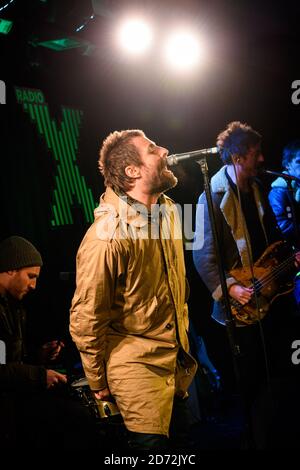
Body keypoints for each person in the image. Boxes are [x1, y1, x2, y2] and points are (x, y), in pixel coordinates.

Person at [70, 129, 197, 451]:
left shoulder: (167, 211)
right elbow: (86, 318)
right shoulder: (106, 237)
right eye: (153, 149)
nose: (165, 149)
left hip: (175, 363)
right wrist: (99, 385)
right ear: (132, 171)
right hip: (136, 369)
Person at [192, 122, 299, 414]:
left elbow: (273, 237)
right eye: (256, 153)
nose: (262, 159)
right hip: (242, 307)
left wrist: (291, 255)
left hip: (270, 295)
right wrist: (231, 288)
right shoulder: (209, 198)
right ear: (238, 158)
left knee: (278, 377)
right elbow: (202, 256)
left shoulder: (257, 189)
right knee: (254, 386)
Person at [0, 236, 95, 448]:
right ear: (10, 270)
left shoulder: (13, 307)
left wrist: (38, 356)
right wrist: (39, 375)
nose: (34, 286)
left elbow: (9, 360)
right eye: (30, 276)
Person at [268, 140, 300, 307]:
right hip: (293, 259)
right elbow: (283, 227)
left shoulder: (297, 187)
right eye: (299, 162)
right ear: (287, 165)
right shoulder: (278, 191)